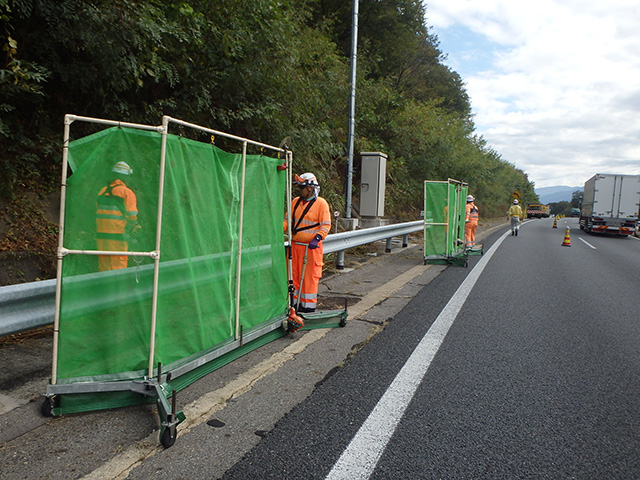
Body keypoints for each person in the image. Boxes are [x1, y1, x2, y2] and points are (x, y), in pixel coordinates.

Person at [284, 172, 331, 313]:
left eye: (301, 187)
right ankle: (293, 306)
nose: (300, 190)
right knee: (292, 278)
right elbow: (287, 222)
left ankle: (308, 308)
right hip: (295, 247)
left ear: (310, 188)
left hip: (311, 249)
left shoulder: (321, 204)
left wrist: (317, 238)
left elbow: (325, 225)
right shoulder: (295, 202)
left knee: (309, 279)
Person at [96, 161, 140, 271]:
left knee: (104, 265)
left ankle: (104, 287)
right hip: (118, 236)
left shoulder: (102, 191)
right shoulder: (126, 192)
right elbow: (132, 215)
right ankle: (117, 287)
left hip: (101, 236)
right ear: (126, 177)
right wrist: (135, 227)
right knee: (118, 265)